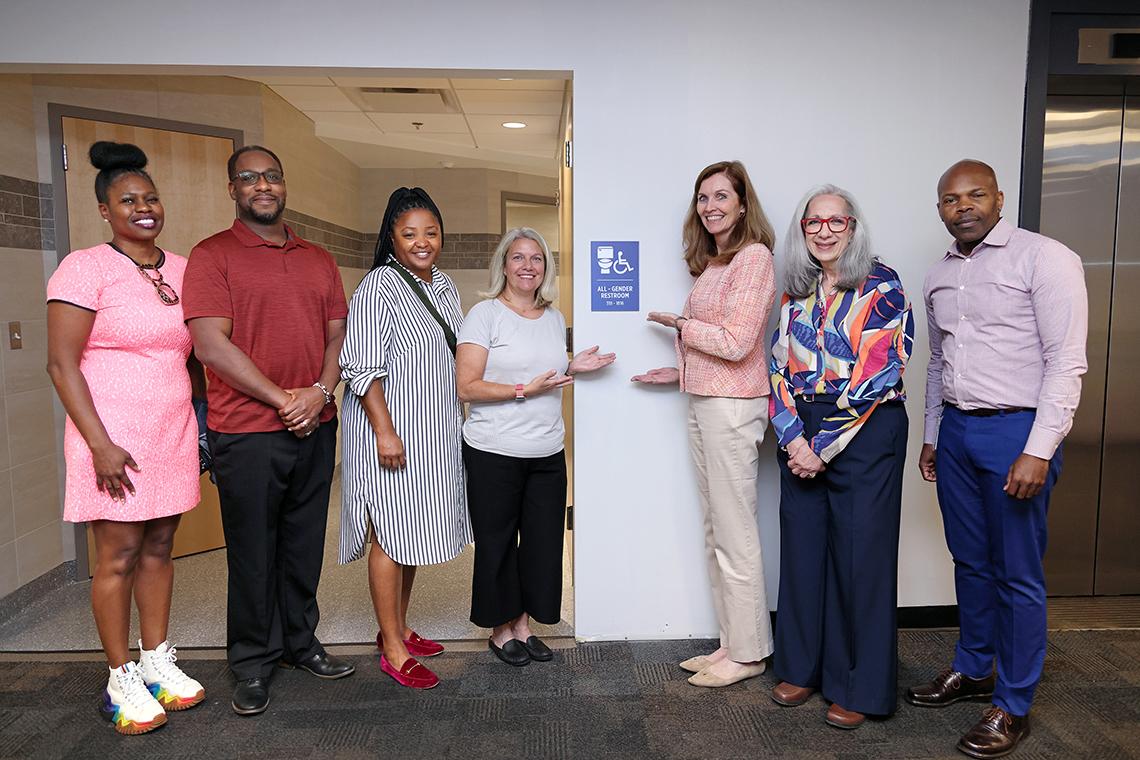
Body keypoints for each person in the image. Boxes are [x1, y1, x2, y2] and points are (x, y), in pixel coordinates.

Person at [908, 159, 1088, 759]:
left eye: (975, 194)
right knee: (970, 562)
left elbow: (1066, 361)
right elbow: (937, 363)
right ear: (940, 208)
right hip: (957, 432)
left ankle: (1012, 704)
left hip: (1017, 432)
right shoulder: (937, 276)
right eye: (950, 199)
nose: (963, 206)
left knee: (1016, 573)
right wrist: (933, 434)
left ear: (999, 198)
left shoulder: (1045, 258)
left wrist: (1039, 448)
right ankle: (973, 668)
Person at [182, 145, 354, 716]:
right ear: (232, 188)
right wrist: (285, 399)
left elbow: (339, 339)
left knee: (304, 546)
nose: (263, 186)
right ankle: (253, 662)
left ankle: (300, 645)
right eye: (250, 177)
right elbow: (210, 345)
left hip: (315, 423)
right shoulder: (213, 256)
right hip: (248, 431)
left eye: (272, 176)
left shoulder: (318, 258)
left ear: (285, 185)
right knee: (254, 552)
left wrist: (320, 394)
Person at [46, 141, 205, 735]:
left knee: (161, 548)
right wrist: (99, 445)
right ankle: (120, 676)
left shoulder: (184, 270)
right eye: (128, 200)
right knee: (117, 555)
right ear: (105, 211)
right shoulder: (84, 268)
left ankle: (156, 658)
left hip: (170, 432)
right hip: (110, 437)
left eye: (151, 197)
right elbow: (62, 365)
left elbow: (194, 356)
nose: (144, 208)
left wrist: (202, 419)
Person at [767, 185, 913, 729]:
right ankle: (802, 668)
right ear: (801, 230)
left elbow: (880, 372)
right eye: (814, 223)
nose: (824, 231)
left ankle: (860, 686)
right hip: (800, 431)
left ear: (853, 228)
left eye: (837, 221)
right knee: (803, 553)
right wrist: (793, 438)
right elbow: (777, 369)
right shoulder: (795, 291)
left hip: (866, 429)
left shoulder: (883, 285)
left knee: (861, 560)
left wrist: (821, 446)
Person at [632, 160, 776, 687]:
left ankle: (751, 652)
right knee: (717, 529)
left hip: (733, 407)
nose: (711, 207)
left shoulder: (755, 258)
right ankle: (731, 644)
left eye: (721, 196)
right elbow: (720, 343)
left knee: (735, 533)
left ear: (742, 203)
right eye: (703, 199)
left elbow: (737, 343)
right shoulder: (716, 264)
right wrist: (681, 370)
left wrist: (680, 324)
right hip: (705, 398)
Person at [456, 228, 615, 666]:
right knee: (499, 541)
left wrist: (571, 365)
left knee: (543, 542)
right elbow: (466, 386)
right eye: (518, 258)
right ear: (503, 265)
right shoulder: (483, 315)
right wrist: (523, 389)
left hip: (546, 450)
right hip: (493, 450)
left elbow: (544, 370)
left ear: (546, 267)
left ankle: (523, 625)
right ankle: (499, 628)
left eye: (537, 259)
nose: (528, 266)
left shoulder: (551, 317)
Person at [339, 187, 470, 690]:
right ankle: (392, 647)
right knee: (390, 537)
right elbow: (361, 368)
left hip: (434, 432)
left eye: (430, 232)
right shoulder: (377, 287)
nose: (422, 241)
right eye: (409, 233)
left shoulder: (443, 286)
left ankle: (400, 626)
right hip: (389, 433)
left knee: (411, 532)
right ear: (391, 238)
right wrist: (385, 432)